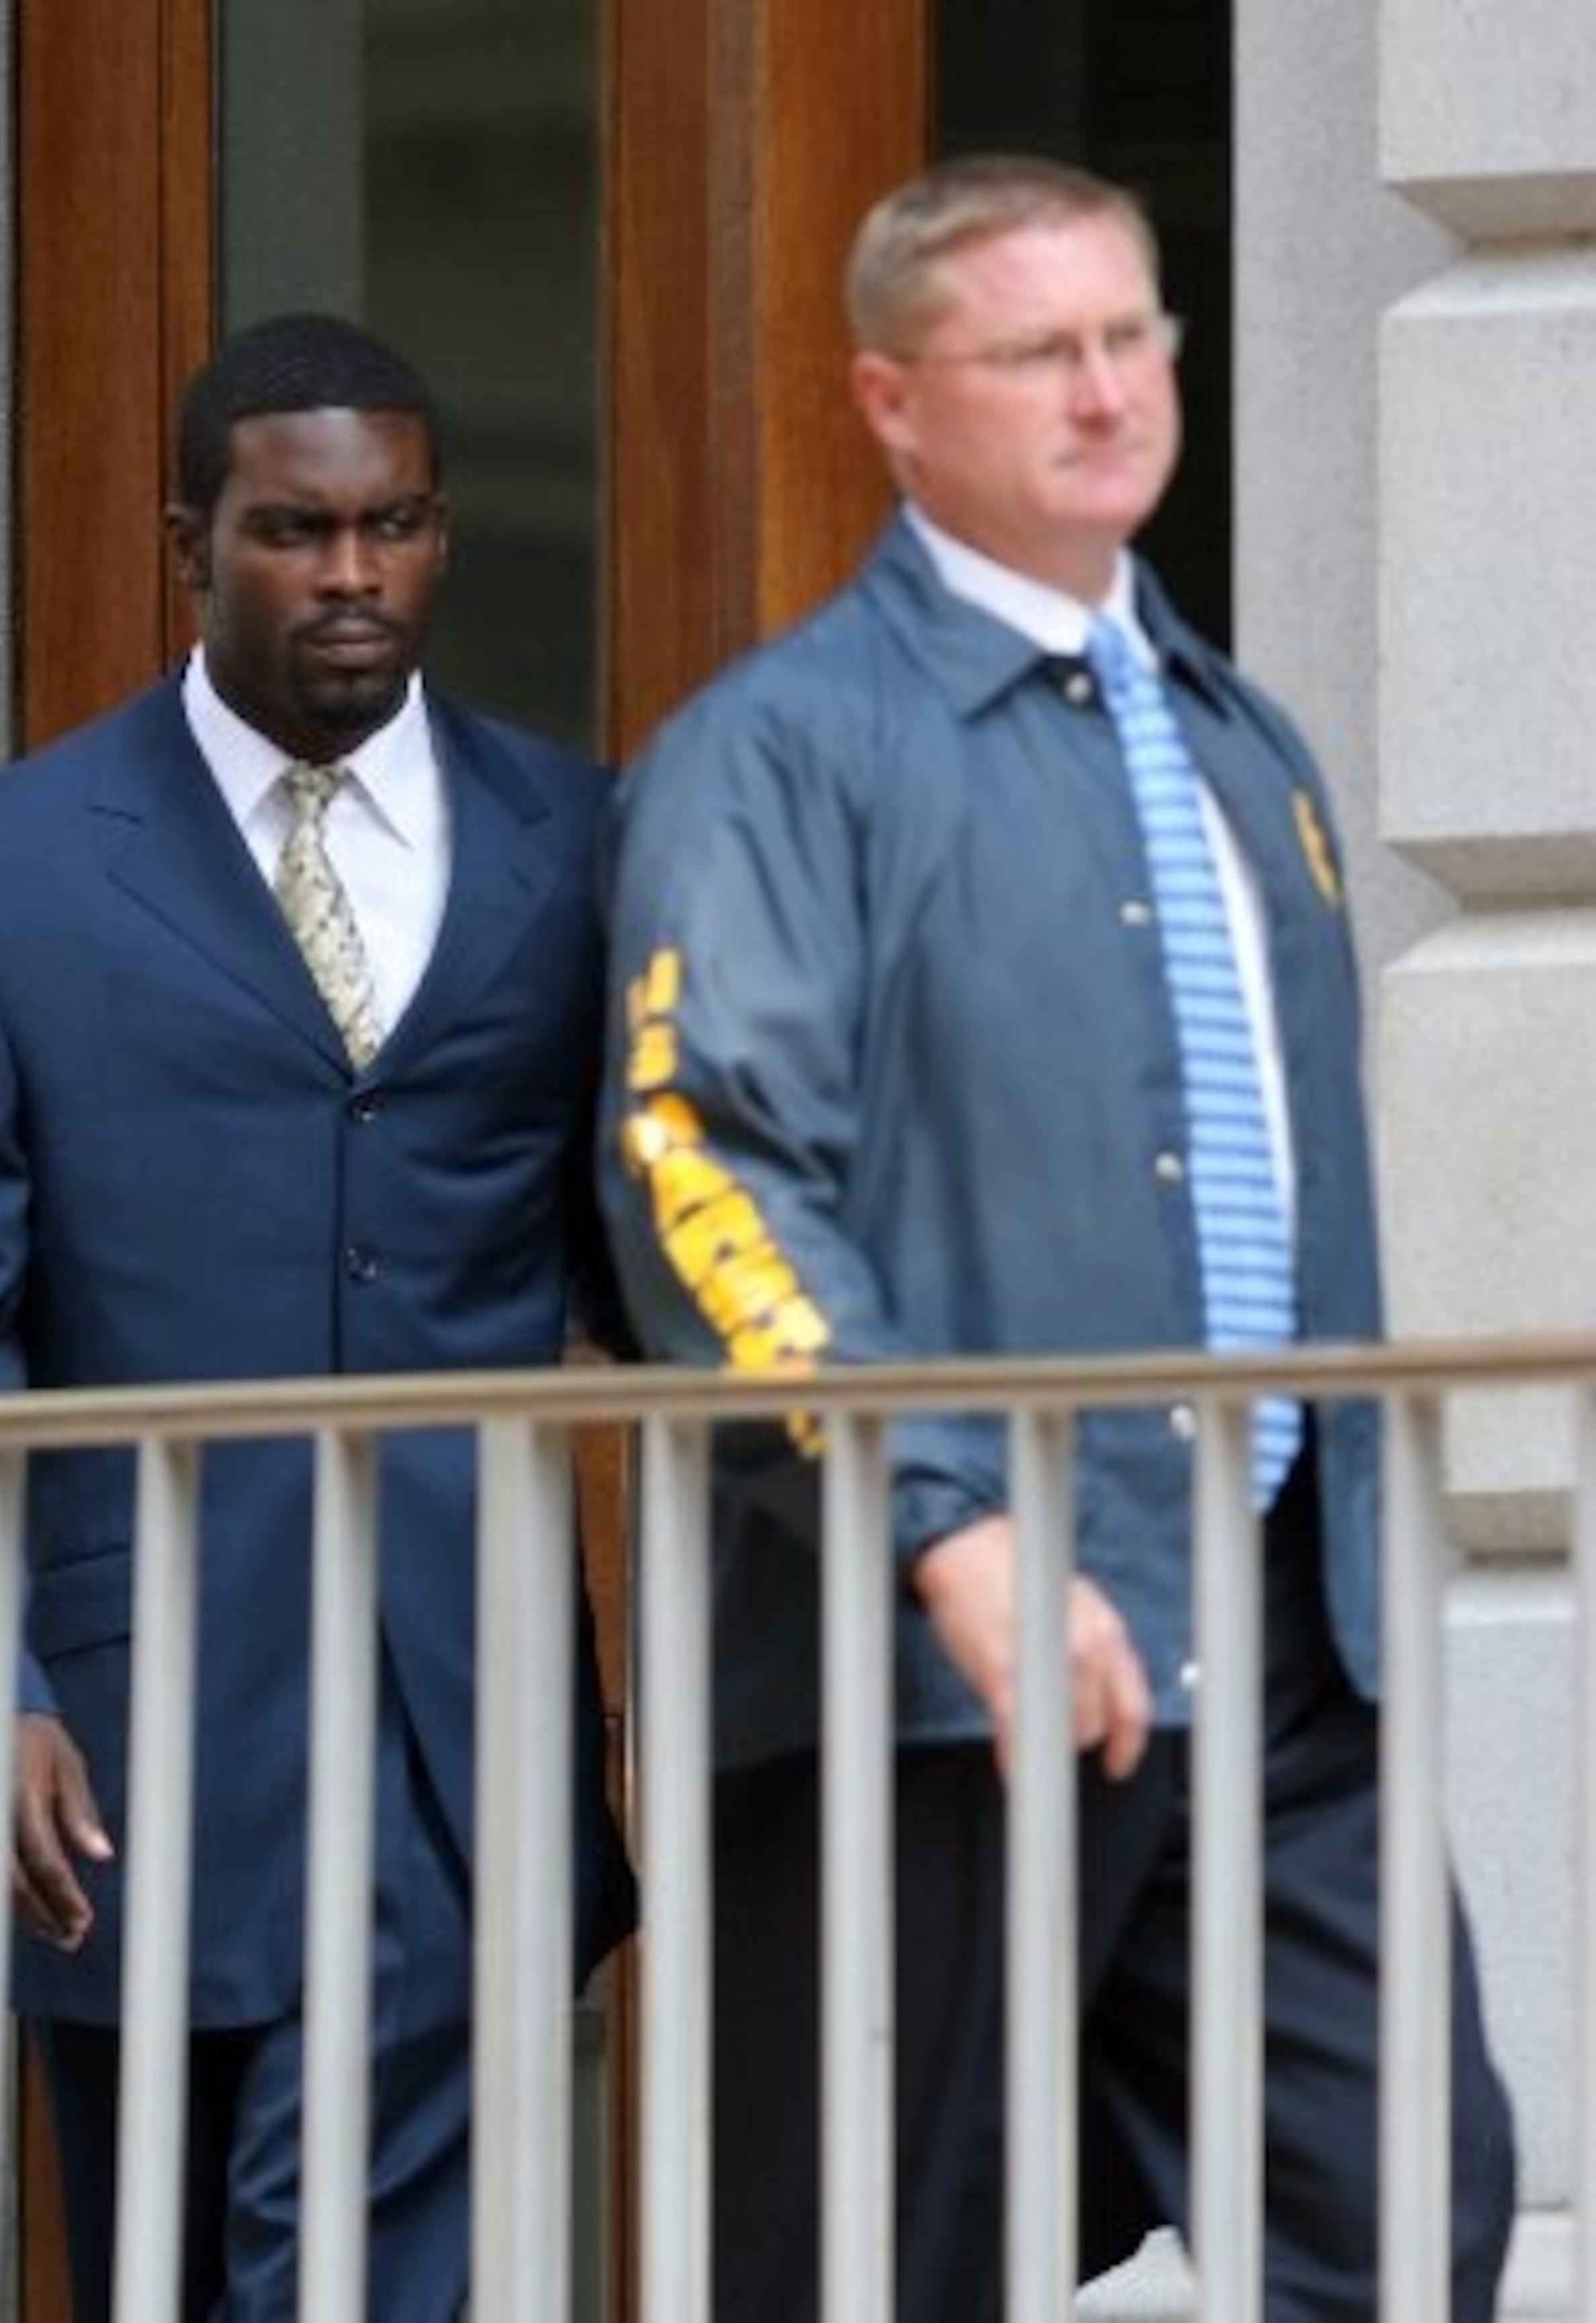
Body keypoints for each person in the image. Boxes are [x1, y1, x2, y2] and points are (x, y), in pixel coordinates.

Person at [601, 156, 1515, 2318]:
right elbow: (705, 1165)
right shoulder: (777, 754)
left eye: (1134, 338)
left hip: (1284, 1654)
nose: (1106, 393)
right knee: (870, 2270)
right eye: (1038, 352)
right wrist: (951, 1522)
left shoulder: (1235, 738)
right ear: (896, 402)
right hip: (930, 1672)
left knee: (1411, 2220)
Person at [0, 312, 635, 2320]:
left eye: (397, 527)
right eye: (298, 530)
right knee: (165, 2256)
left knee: (369, 2256)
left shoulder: (584, 844)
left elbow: (652, 1248)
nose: (357, 575)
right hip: (132, 1730)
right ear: (186, 542)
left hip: (458, 1721)